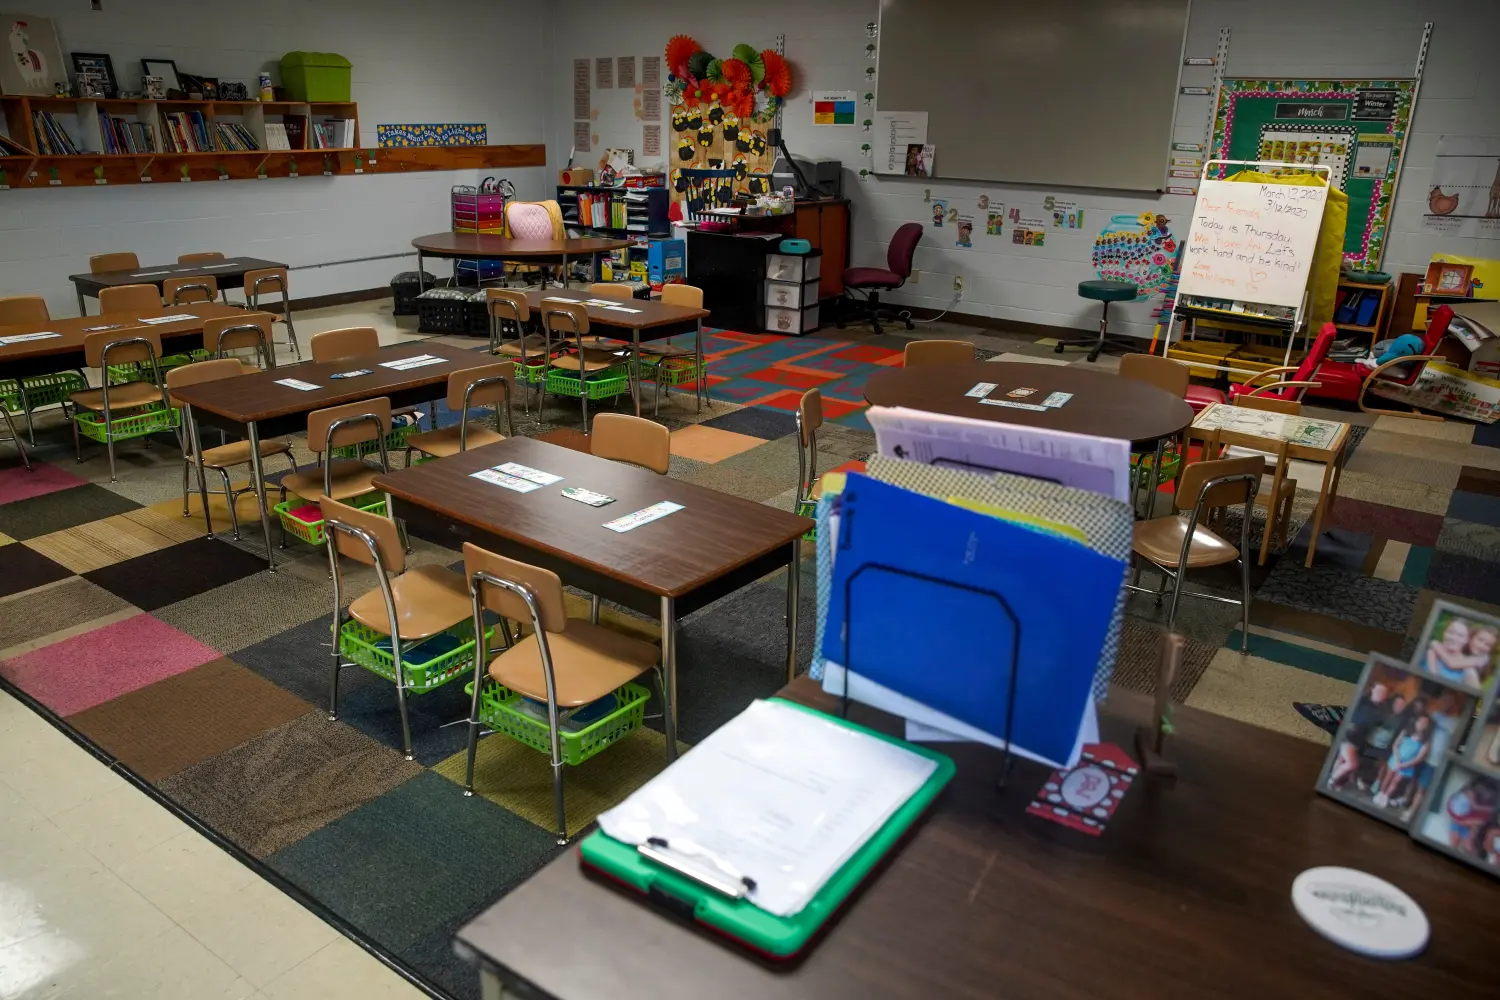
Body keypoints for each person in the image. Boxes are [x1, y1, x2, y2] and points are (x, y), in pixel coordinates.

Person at [1330, 681, 1390, 790]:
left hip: (1359, 740)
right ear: (1373, 689)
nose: (1381, 694)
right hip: (1349, 735)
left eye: (1384, 692)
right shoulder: (1361, 701)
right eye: (1379, 691)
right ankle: (1332, 781)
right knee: (1351, 764)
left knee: (1343, 760)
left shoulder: (1381, 711)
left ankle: (1336, 783)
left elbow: (1376, 727)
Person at [1375, 704, 1430, 810]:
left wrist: (1404, 765)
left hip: (1408, 765)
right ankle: (1380, 795)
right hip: (1396, 759)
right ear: (1417, 722)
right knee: (1388, 777)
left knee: (1396, 781)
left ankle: (1385, 797)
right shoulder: (1406, 731)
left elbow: (1419, 758)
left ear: (1427, 725)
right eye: (1421, 721)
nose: (1422, 724)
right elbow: (1396, 745)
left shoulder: (1426, 741)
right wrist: (1397, 759)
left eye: (1425, 723)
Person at [1424, 617, 1490, 688]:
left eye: (1460, 635)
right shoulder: (1428, 649)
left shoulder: (1468, 666)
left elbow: (1475, 692)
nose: (1453, 638)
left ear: (1466, 640)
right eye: (1451, 632)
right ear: (1444, 633)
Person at [1446, 777, 1498, 854]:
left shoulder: (1480, 816)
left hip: (1464, 821)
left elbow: (1462, 820)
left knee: (1458, 844)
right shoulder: (1466, 799)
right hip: (1463, 821)